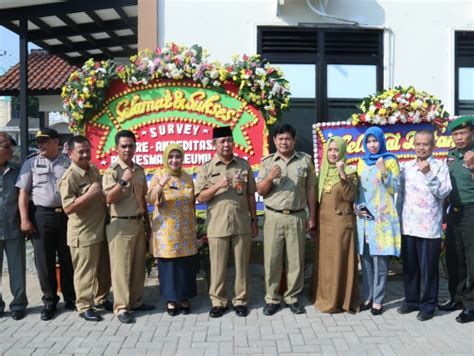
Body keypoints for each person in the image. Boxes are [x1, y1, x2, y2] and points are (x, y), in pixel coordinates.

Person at [195, 126, 258, 318]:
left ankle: (240, 300)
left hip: (241, 222)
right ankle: (218, 301)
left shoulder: (243, 165)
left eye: (229, 140)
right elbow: (200, 197)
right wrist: (218, 185)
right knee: (218, 266)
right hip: (217, 224)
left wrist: (254, 220)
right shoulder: (206, 168)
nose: (226, 144)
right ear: (214, 144)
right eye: (221, 141)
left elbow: (250, 195)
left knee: (242, 265)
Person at [16, 128, 75, 321]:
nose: (40, 145)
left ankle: (71, 298)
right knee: (44, 261)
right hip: (41, 216)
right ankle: (50, 301)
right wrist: (25, 219)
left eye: (44, 141)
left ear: (56, 142)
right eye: (38, 141)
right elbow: (23, 194)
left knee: (68, 258)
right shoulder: (30, 163)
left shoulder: (67, 162)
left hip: (66, 216)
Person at [257, 124, 316, 316]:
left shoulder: (305, 161)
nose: (284, 142)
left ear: (294, 139)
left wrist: (312, 216)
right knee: (272, 260)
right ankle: (272, 298)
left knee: (295, 260)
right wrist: (270, 178)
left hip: (297, 216)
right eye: (280, 138)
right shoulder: (267, 163)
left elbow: (310, 189)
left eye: (287, 138)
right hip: (273, 216)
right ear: (274, 141)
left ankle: (292, 298)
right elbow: (260, 190)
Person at [396, 130, 452, 321]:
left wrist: (428, 173)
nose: (421, 147)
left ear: (433, 146)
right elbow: (400, 195)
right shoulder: (406, 167)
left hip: (429, 228)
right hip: (409, 225)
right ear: (413, 145)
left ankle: (428, 305)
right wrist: (398, 218)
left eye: (426, 144)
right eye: (418, 144)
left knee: (429, 270)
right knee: (410, 267)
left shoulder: (440, 166)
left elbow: (444, 192)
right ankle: (411, 301)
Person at [58, 136, 112, 322]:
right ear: (70, 153)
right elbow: (68, 208)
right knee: (85, 272)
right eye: (80, 151)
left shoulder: (93, 169)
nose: (85, 154)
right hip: (83, 233)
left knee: (104, 270)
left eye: (87, 150)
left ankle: (101, 298)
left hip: (101, 229)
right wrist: (89, 194)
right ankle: (84, 306)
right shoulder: (69, 177)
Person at [103, 130, 154, 324]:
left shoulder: (139, 170)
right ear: (116, 148)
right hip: (120, 224)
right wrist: (123, 180)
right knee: (121, 268)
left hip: (138, 222)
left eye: (131, 145)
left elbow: (143, 199)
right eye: (123, 146)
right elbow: (108, 198)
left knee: (138, 266)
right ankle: (122, 307)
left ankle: (136, 301)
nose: (128, 149)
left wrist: (148, 226)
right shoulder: (113, 171)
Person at [146, 144, 198, 316]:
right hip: (166, 231)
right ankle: (170, 300)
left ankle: (184, 297)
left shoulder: (188, 177)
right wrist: (161, 184)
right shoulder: (159, 176)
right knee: (169, 265)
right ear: (166, 158)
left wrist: (194, 226)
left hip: (185, 230)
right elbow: (150, 198)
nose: (174, 160)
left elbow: (192, 203)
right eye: (171, 157)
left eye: (177, 157)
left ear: (182, 158)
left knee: (184, 265)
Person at [355, 126, 401, 316]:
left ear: (381, 141)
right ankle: (367, 296)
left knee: (380, 262)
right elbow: (358, 189)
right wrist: (356, 206)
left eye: (375, 141)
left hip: (382, 219)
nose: (372, 145)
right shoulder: (361, 162)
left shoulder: (390, 161)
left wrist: (384, 172)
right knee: (365, 261)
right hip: (364, 218)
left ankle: (378, 300)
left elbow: (395, 187)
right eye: (369, 141)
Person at [311, 136, 359, 314]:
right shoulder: (322, 172)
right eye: (330, 150)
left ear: (342, 152)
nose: (332, 153)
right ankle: (322, 296)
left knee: (338, 261)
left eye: (336, 150)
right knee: (325, 262)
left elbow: (350, 196)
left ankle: (337, 301)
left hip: (340, 224)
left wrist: (342, 175)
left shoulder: (350, 171)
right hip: (324, 224)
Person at [438, 116, 474, 323]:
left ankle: (471, 304)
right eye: (455, 134)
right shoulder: (451, 155)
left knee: (472, 259)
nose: (459, 137)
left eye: (463, 133)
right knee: (454, 257)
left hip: (472, 210)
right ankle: (457, 298)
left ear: (472, 133)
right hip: (454, 211)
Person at [0, 132, 28, 320]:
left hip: (13, 228)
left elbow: (24, 197)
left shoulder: (17, 170)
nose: (11, 150)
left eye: (11, 146)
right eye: (7, 146)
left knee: (17, 269)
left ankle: (18, 304)